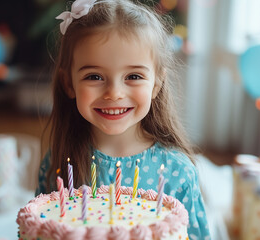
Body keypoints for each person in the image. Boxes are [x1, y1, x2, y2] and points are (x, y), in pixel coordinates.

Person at [35, 0, 210, 238]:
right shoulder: (59, 161)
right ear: (69, 83)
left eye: (134, 76)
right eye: (94, 76)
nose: (114, 93)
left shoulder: (178, 172)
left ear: (156, 84)